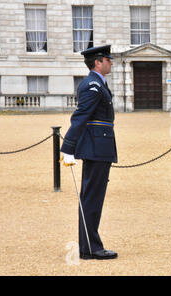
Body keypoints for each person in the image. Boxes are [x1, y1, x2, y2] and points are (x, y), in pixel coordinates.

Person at [60, 45, 118, 259]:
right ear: (98, 62)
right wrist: (68, 148)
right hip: (95, 147)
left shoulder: (97, 84)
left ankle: (89, 246)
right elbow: (80, 117)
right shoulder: (92, 85)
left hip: (99, 146)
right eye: (107, 59)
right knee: (91, 198)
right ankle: (91, 248)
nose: (110, 62)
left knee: (92, 198)